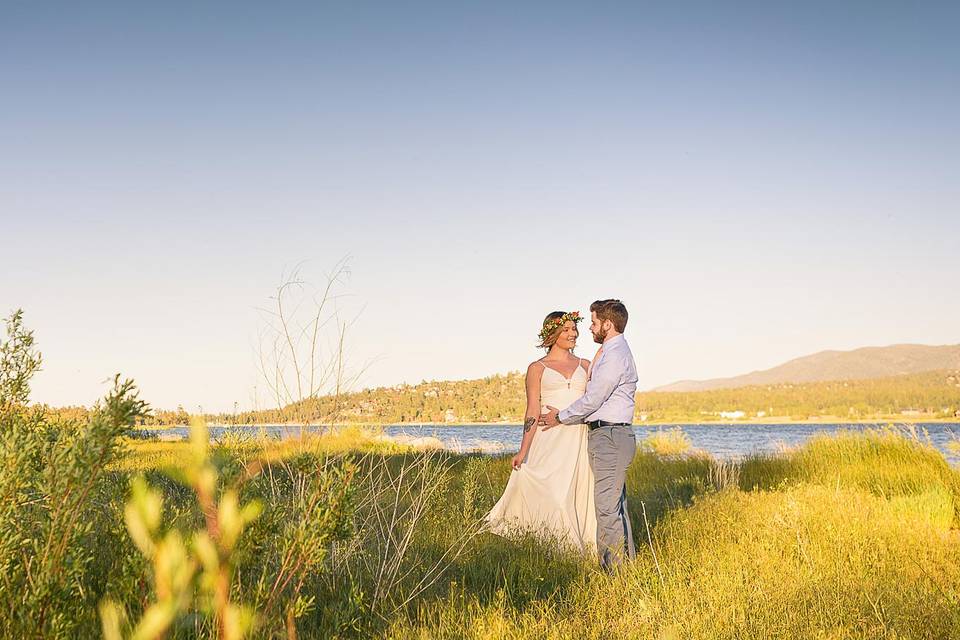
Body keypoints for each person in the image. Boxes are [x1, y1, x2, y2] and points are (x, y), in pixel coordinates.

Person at [485, 310, 597, 553]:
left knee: (577, 493)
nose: (573, 333)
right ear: (552, 332)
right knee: (553, 493)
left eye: (574, 329)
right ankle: (549, 546)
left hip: (577, 437)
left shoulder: (586, 365)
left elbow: (593, 403)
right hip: (548, 439)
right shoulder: (537, 368)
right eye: (566, 329)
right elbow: (532, 410)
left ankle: (581, 551)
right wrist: (522, 451)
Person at [540, 299, 637, 570]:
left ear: (607, 324)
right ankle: (626, 567)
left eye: (594, 323)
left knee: (607, 509)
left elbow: (594, 398)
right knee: (616, 506)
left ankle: (614, 573)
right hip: (606, 436)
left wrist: (559, 417)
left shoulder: (615, 355)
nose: (590, 328)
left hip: (610, 436)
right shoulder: (608, 351)